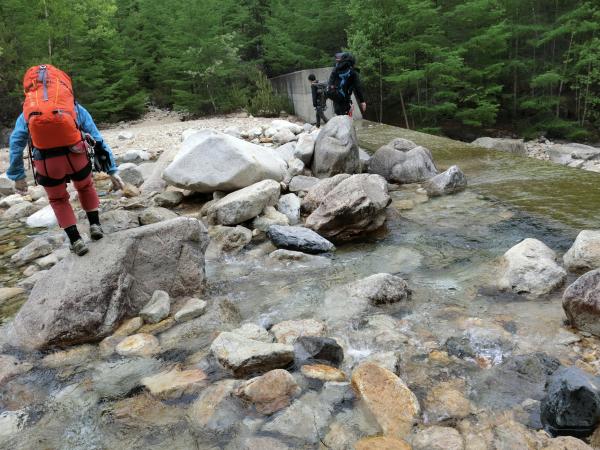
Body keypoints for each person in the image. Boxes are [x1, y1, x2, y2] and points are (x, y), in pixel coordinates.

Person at [7, 64, 124, 256]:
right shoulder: (72, 106)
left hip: (47, 163)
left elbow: (16, 142)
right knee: (85, 187)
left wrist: (18, 175)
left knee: (58, 199)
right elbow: (96, 137)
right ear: (62, 84)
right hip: (76, 156)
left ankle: (75, 240)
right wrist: (111, 169)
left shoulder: (28, 111)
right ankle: (95, 225)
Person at [327, 52, 367, 116]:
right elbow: (357, 87)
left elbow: (330, 83)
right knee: (346, 116)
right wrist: (362, 101)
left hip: (336, 97)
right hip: (345, 99)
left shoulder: (335, 69)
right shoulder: (353, 72)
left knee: (339, 115)